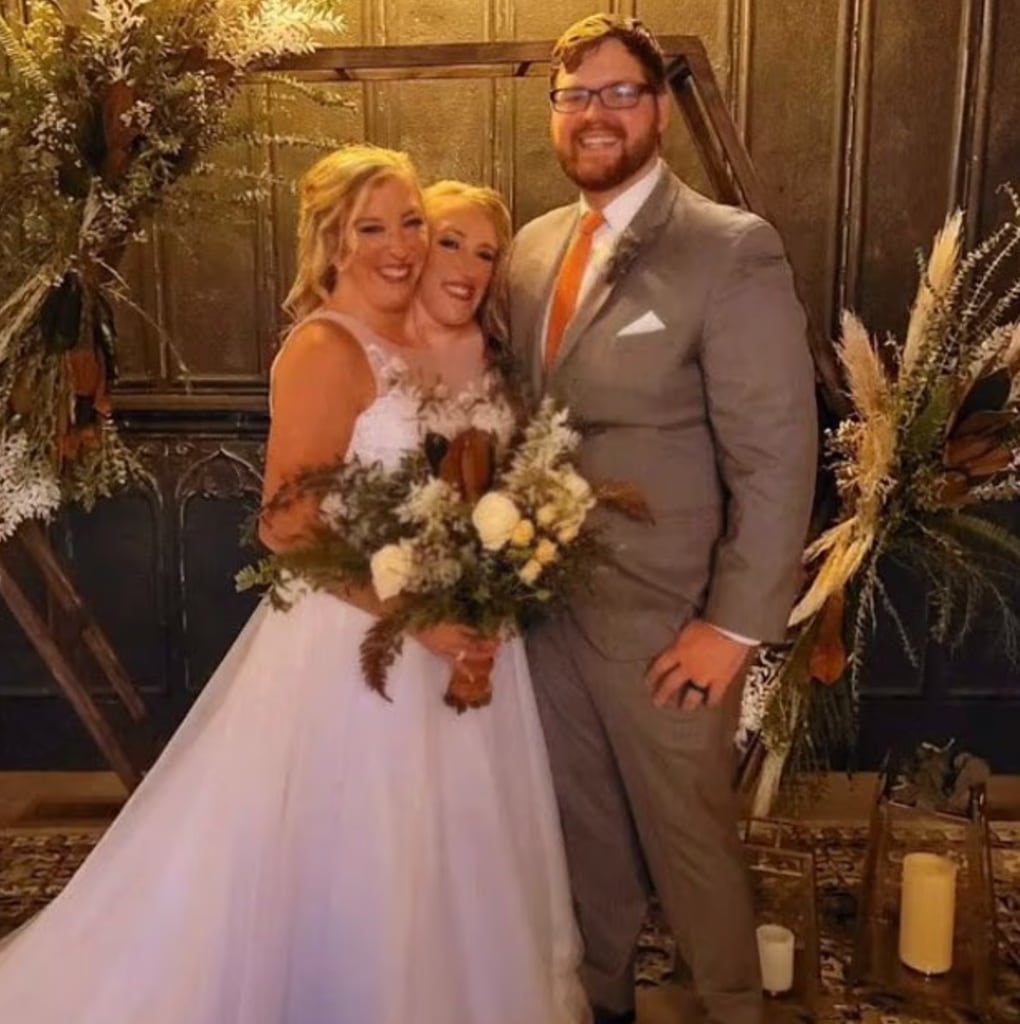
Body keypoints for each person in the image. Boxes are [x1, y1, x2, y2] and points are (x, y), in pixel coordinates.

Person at [0, 147, 587, 1024]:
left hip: (442, 632)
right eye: (372, 228)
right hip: (354, 648)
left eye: (410, 224)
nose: (399, 246)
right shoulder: (323, 345)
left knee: (448, 852)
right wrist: (417, 619)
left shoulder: (410, 340)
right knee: (359, 853)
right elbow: (286, 523)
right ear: (332, 242)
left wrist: (484, 575)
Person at [508, 14, 819, 1024]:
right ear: (553, 114)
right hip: (543, 611)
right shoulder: (530, 248)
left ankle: (733, 1004)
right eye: (574, 96)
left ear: (660, 113)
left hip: (667, 623)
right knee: (581, 835)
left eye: (618, 94)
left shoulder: (729, 250)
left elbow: (776, 454)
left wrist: (731, 628)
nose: (594, 115)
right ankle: (599, 1002)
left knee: (692, 848)